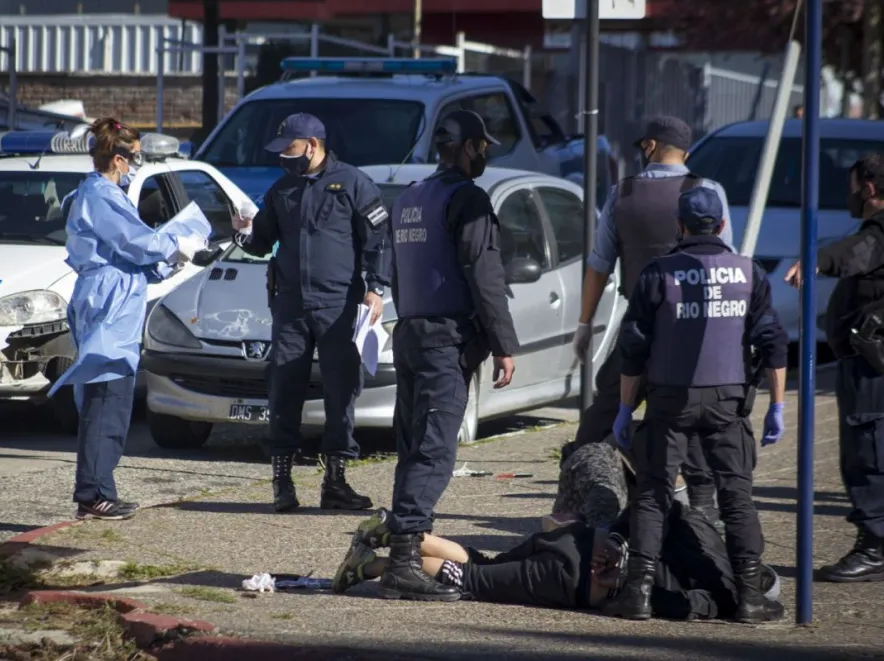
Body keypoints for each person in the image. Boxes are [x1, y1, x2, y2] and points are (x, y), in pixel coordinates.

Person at [603, 186, 787, 623]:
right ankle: (749, 598)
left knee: (652, 494)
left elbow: (633, 348)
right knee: (736, 497)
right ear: (721, 225)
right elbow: (773, 342)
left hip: (669, 401)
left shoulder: (657, 273)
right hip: (728, 401)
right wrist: (777, 405)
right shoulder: (748, 273)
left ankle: (639, 594)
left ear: (680, 227)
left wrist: (626, 408)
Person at [377, 110, 519, 602]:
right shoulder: (468, 199)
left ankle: (408, 553)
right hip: (444, 341)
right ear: (468, 147)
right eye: (482, 147)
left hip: (412, 333)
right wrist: (504, 344)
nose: (485, 155)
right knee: (435, 451)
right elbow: (485, 275)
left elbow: (398, 273)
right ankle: (402, 561)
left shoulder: (410, 198)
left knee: (414, 447)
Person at [566, 116, 736, 523]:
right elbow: (725, 260)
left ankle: (573, 498)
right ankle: (702, 510)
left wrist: (585, 323)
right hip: (697, 328)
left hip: (639, 325)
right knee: (689, 412)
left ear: (650, 147)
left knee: (605, 410)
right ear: (686, 153)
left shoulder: (621, 193)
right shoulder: (708, 191)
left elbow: (599, 264)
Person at [48, 118, 210, 521]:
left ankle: (100, 489)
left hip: (116, 298)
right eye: (134, 158)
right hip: (108, 304)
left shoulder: (105, 194)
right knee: (107, 400)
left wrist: (170, 262)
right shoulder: (101, 195)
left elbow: (133, 255)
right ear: (118, 159)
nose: (136, 165)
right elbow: (138, 243)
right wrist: (177, 240)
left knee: (111, 400)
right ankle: (93, 492)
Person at [231, 113, 391, 514]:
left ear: (313, 145)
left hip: (339, 305)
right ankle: (282, 482)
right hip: (291, 305)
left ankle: (335, 482)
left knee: (341, 393)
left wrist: (377, 289)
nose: (284, 157)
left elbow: (379, 241)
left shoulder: (353, 183)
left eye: (290, 148)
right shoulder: (282, 189)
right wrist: (241, 232)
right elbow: (260, 242)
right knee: (284, 388)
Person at [334, 503, 780, 621]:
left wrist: (618, 540)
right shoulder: (724, 597)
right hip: (572, 580)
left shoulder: (703, 532)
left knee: (484, 561)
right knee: (470, 579)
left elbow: (653, 507)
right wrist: (622, 583)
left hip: (576, 538)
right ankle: (371, 566)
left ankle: (399, 533)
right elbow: (673, 606)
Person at [785, 155, 884, 582]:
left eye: (852, 186)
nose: (849, 195)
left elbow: (857, 254)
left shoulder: (878, 233)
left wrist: (817, 260)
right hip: (864, 362)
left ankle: (875, 545)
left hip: (871, 367)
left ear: (868, 189)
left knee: (868, 454)